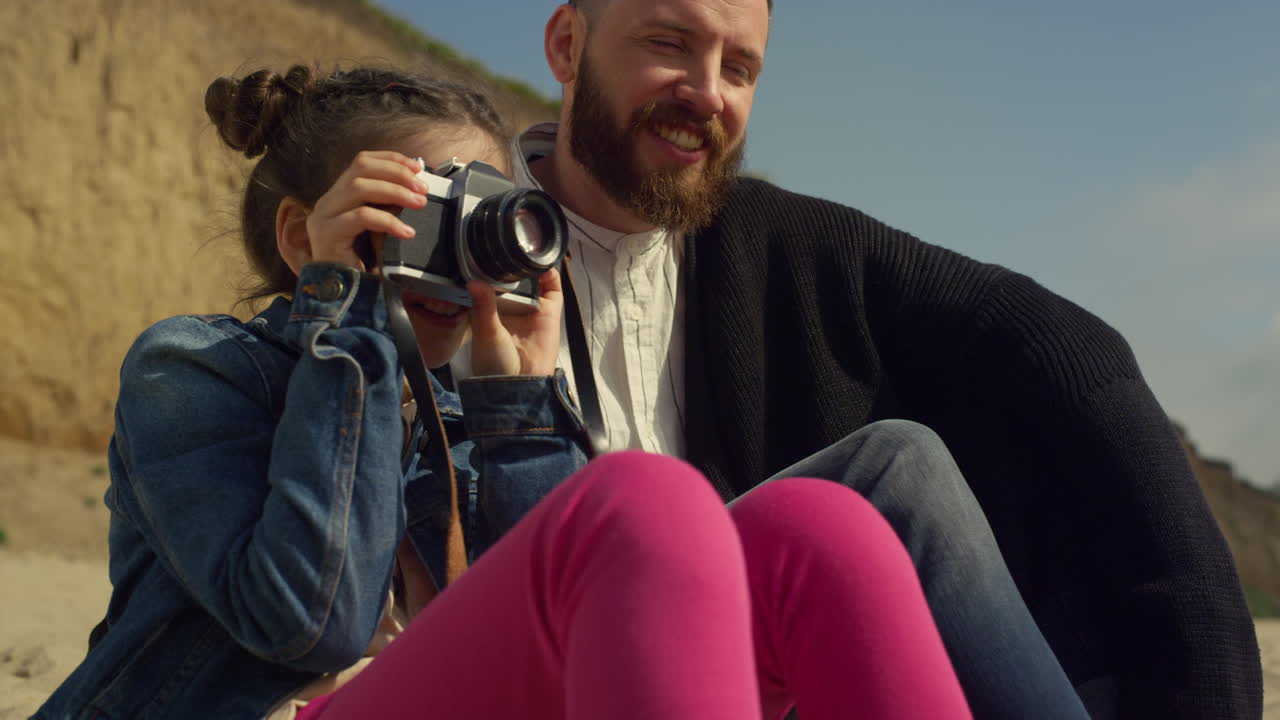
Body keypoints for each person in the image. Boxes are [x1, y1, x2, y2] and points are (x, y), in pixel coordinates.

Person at [33, 63, 978, 720]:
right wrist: (349, 314)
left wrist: (519, 410)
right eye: (434, 212)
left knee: (825, 529)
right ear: (303, 236)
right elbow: (306, 620)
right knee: (650, 500)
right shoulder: (193, 368)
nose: (467, 246)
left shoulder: (449, 413)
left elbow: (564, 643)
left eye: (487, 210)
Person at [474, 0, 1262, 717]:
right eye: (670, 43)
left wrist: (1201, 661)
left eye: (740, 67)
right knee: (895, 470)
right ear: (568, 45)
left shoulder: (781, 241)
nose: (708, 92)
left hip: (748, 682)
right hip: (543, 671)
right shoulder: (446, 250)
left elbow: (1064, 348)